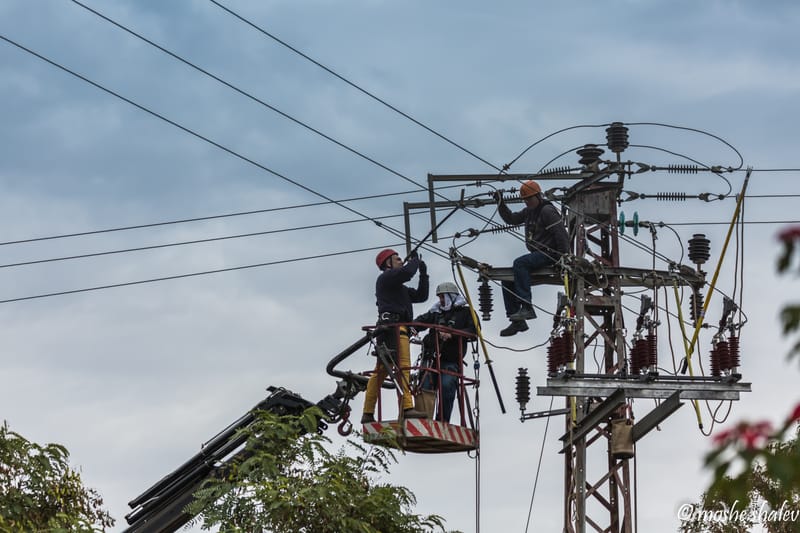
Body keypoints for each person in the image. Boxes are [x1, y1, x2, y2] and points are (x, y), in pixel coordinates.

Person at [361, 248, 429, 423]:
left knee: (383, 371)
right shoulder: (385, 278)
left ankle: (368, 413)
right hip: (392, 329)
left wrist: (423, 273)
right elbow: (406, 272)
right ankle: (407, 408)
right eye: (397, 258)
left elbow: (421, 296)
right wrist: (414, 261)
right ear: (388, 264)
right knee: (401, 368)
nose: (401, 261)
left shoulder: (398, 288)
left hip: (396, 329)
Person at [495, 179, 570, 337]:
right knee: (507, 278)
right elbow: (512, 219)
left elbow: (561, 235)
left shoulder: (547, 211)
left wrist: (563, 258)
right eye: (525, 200)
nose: (527, 202)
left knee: (520, 263)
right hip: (538, 254)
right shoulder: (529, 212)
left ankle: (526, 306)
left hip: (551, 254)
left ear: (538, 196)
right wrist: (500, 203)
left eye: (529, 199)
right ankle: (517, 321)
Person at [413, 281, 476, 424]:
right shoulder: (436, 312)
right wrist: (410, 329)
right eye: (439, 297)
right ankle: (423, 421)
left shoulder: (466, 313)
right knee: (425, 388)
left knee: (447, 386)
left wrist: (452, 334)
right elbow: (420, 321)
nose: (441, 300)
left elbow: (474, 331)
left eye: (443, 297)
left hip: (450, 361)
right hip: (431, 359)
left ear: (451, 296)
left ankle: (442, 421)